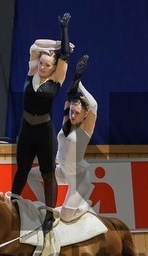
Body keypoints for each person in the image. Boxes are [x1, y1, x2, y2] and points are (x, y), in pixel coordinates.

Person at [11, 13, 72, 234]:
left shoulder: (57, 79)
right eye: (41, 64)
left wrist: (64, 30)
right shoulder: (31, 72)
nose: (43, 67)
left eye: (47, 65)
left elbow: (65, 53)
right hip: (26, 129)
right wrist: (55, 45)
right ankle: (12, 205)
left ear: (54, 68)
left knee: (48, 174)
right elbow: (35, 44)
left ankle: (49, 215)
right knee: (22, 169)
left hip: (44, 132)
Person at [27, 55, 97, 223]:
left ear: (85, 114)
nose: (72, 115)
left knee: (66, 217)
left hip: (79, 179)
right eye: (71, 111)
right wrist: (75, 77)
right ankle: (45, 204)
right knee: (30, 175)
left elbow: (94, 105)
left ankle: (85, 206)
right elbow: (70, 94)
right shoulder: (67, 122)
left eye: (77, 113)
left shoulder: (85, 129)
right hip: (61, 171)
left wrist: (80, 82)